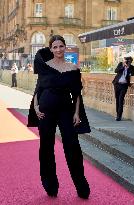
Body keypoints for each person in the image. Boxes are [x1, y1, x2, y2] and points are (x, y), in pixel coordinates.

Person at [28, 35, 91, 199]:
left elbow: (77, 94)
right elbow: (38, 90)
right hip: (45, 111)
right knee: (46, 148)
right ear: (51, 49)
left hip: (65, 111)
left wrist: (77, 113)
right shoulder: (44, 67)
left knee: (72, 146)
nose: (58, 50)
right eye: (54, 47)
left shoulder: (73, 68)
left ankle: (82, 187)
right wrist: (35, 107)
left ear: (65, 47)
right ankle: (50, 186)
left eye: (61, 46)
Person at [112, 56, 134, 121]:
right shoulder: (120, 64)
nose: (127, 62)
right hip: (117, 84)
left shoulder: (131, 67)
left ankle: (119, 116)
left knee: (121, 99)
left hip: (124, 86)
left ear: (131, 61)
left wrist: (128, 67)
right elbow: (116, 71)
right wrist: (123, 66)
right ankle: (117, 114)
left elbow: (132, 74)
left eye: (129, 61)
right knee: (117, 100)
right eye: (127, 61)